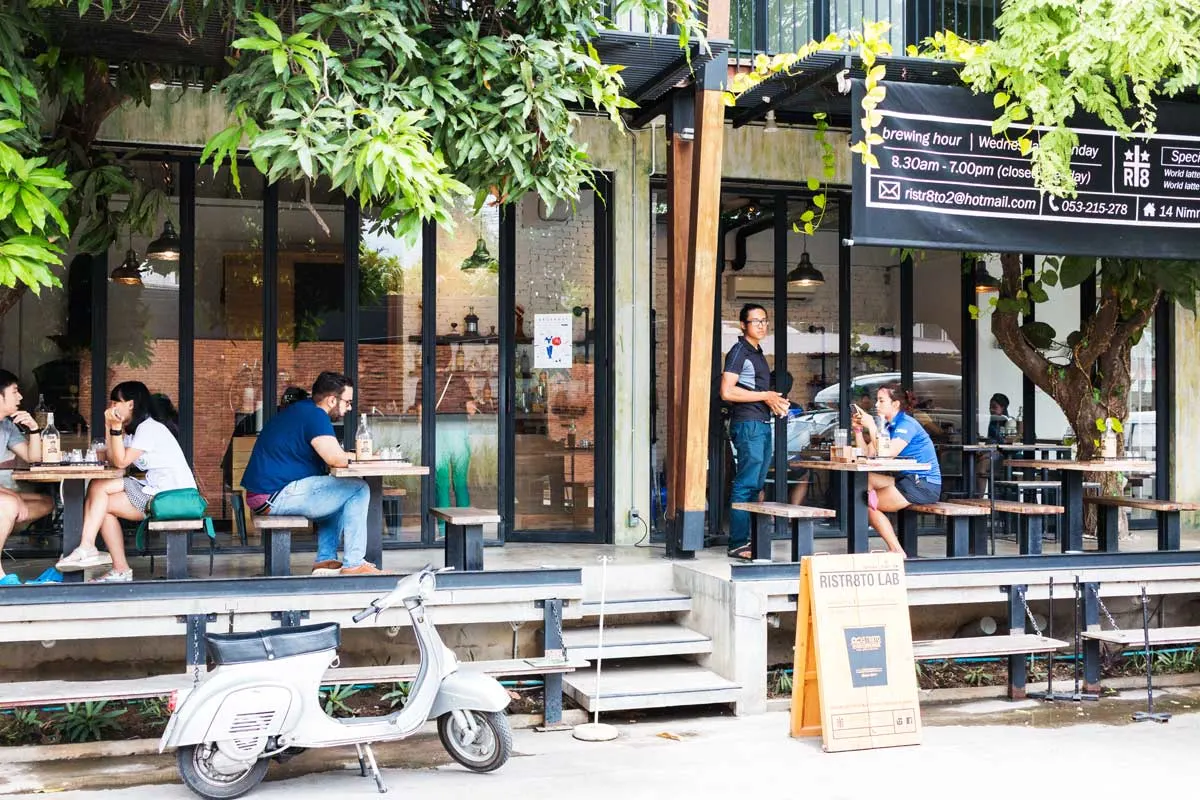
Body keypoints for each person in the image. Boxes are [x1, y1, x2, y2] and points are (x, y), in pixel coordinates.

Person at [240, 372, 382, 576]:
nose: (349, 408)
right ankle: (354, 563)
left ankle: (325, 560)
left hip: (266, 493)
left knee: (340, 493)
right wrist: (370, 458)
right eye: (348, 402)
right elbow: (335, 459)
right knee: (359, 488)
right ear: (333, 400)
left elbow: (334, 455)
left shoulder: (303, 411)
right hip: (273, 495)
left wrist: (354, 456)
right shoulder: (315, 415)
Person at [56, 382, 196, 582]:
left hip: (171, 496)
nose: (111, 407)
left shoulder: (150, 429)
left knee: (99, 492)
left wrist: (115, 428)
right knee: (100, 500)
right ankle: (110, 562)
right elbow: (115, 462)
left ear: (130, 404)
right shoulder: (136, 432)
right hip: (155, 490)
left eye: (115, 402)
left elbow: (120, 461)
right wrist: (109, 428)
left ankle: (90, 548)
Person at [719, 303, 789, 560]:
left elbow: (754, 392)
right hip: (747, 424)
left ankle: (748, 540)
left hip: (760, 423)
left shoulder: (757, 352)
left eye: (764, 321)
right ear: (743, 325)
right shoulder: (739, 351)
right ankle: (737, 543)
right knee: (745, 484)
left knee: (756, 484)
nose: (762, 325)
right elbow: (727, 391)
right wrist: (766, 395)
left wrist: (774, 402)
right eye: (755, 321)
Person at [851, 384, 942, 556]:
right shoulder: (888, 426)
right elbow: (866, 454)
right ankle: (879, 515)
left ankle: (896, 550)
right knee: (867, 479)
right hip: (908, 479)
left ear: (895, 404)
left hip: (924, 484)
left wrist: (871, 426)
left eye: (881, 400)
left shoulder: (906, 424)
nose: (876, 405)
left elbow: (887, 454)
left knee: (867, 505)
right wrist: (858, 430)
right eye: (877, 400)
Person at [0, 371, 54, 582]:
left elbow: (33, 458)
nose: (20, 397)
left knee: (47, 502)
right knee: (9, 505)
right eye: (15, 392)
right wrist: (11, 498)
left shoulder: (6, 425)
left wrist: (33, 429)